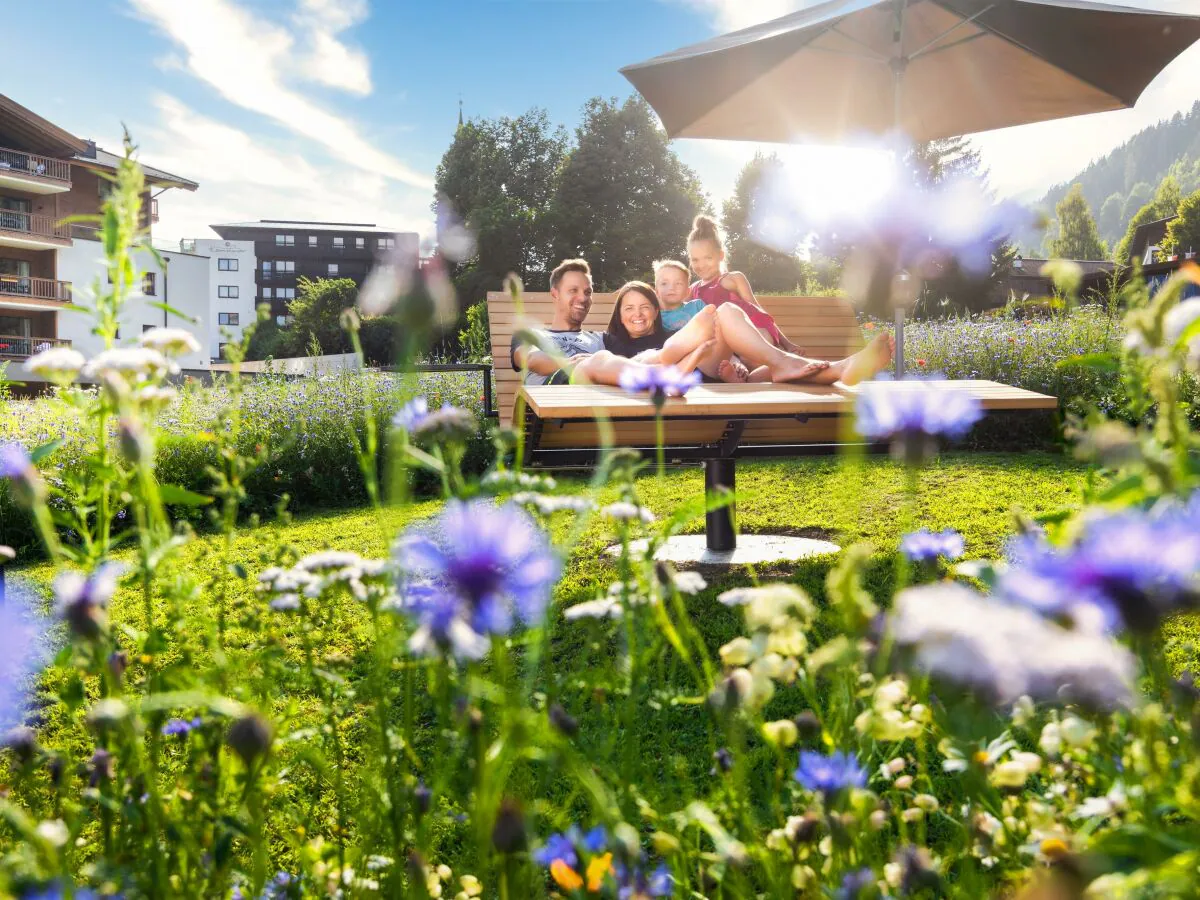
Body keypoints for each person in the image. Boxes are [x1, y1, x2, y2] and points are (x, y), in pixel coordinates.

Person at [510, 259, 713, 387]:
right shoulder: (530, 334)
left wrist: (662, 355)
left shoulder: (602, 339)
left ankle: (668, 363)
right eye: (573, 290)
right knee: (599, 358)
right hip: (554, 397)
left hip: (596, 401)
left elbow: (632, 361)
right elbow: (532, 360)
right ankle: (665, 375)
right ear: (555, 294)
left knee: (642, 357)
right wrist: (576, 362)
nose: (583, 297)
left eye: (587, 292)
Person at [686, 215, 807, 355]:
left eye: (708, 258)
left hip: (754, 334)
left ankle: (777, 358)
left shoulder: (733, 278)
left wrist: (787, 344)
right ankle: (746, 365)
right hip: (722, 348)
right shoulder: (692, 290)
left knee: (751, 351)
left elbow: (759, 312)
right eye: (695, 260)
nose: (701, 265)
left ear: (721, 255)